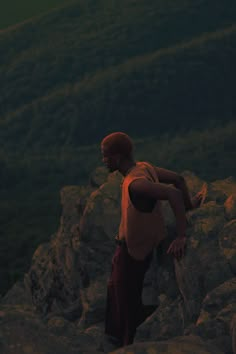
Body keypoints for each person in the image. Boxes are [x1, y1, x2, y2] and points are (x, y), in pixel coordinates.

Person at [99, 131, 207, 352]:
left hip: (131, 255)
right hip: (132, 249)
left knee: (126, 305)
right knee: (117, 296)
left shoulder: (135, 183)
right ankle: (118, 340)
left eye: (106, 156)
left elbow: (172, 193)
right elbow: (178, 179)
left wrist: (181, 235)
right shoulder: (144, 168)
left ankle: (126, 346)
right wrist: (189, 206)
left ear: (118, 157)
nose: (103, 160)